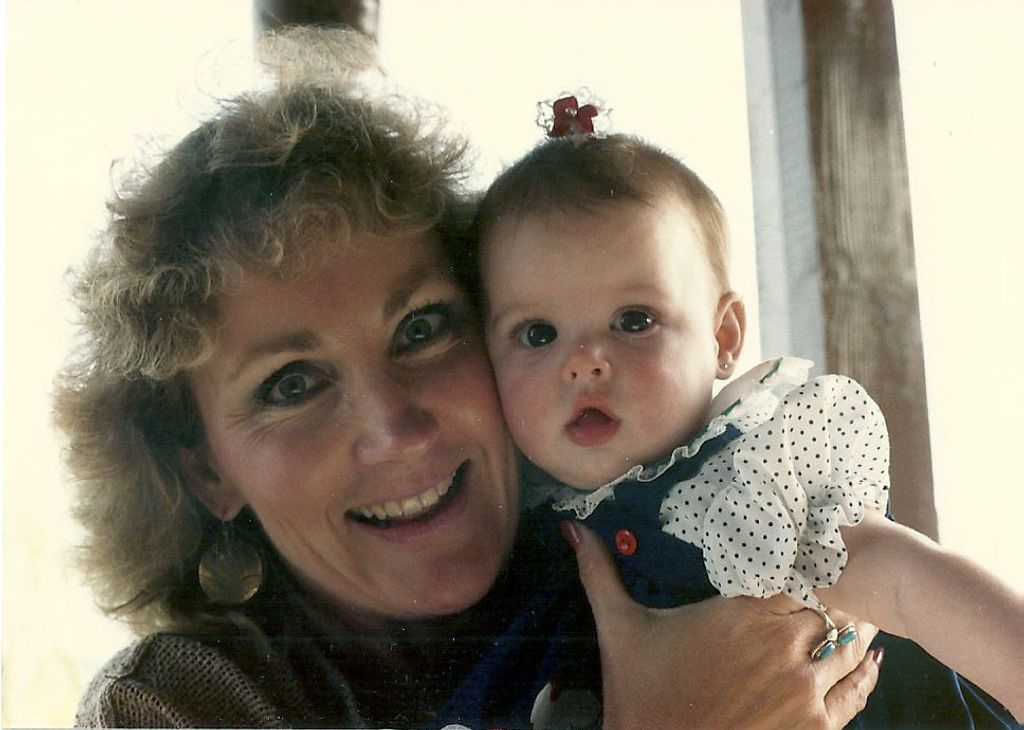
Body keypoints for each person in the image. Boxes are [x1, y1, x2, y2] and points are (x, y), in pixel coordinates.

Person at [55, 30, 887, 729]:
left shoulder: (662, 542)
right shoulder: (173, 706)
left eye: (421, 330)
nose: (394, 430)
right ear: (205, 468)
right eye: (292, 385)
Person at [471, 96, 1024, 726]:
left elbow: (908, 581)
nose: (583, 363)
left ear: (723, 337)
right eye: (538, 334)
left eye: (634, 320)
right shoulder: (522, 549)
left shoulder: (752, 481)